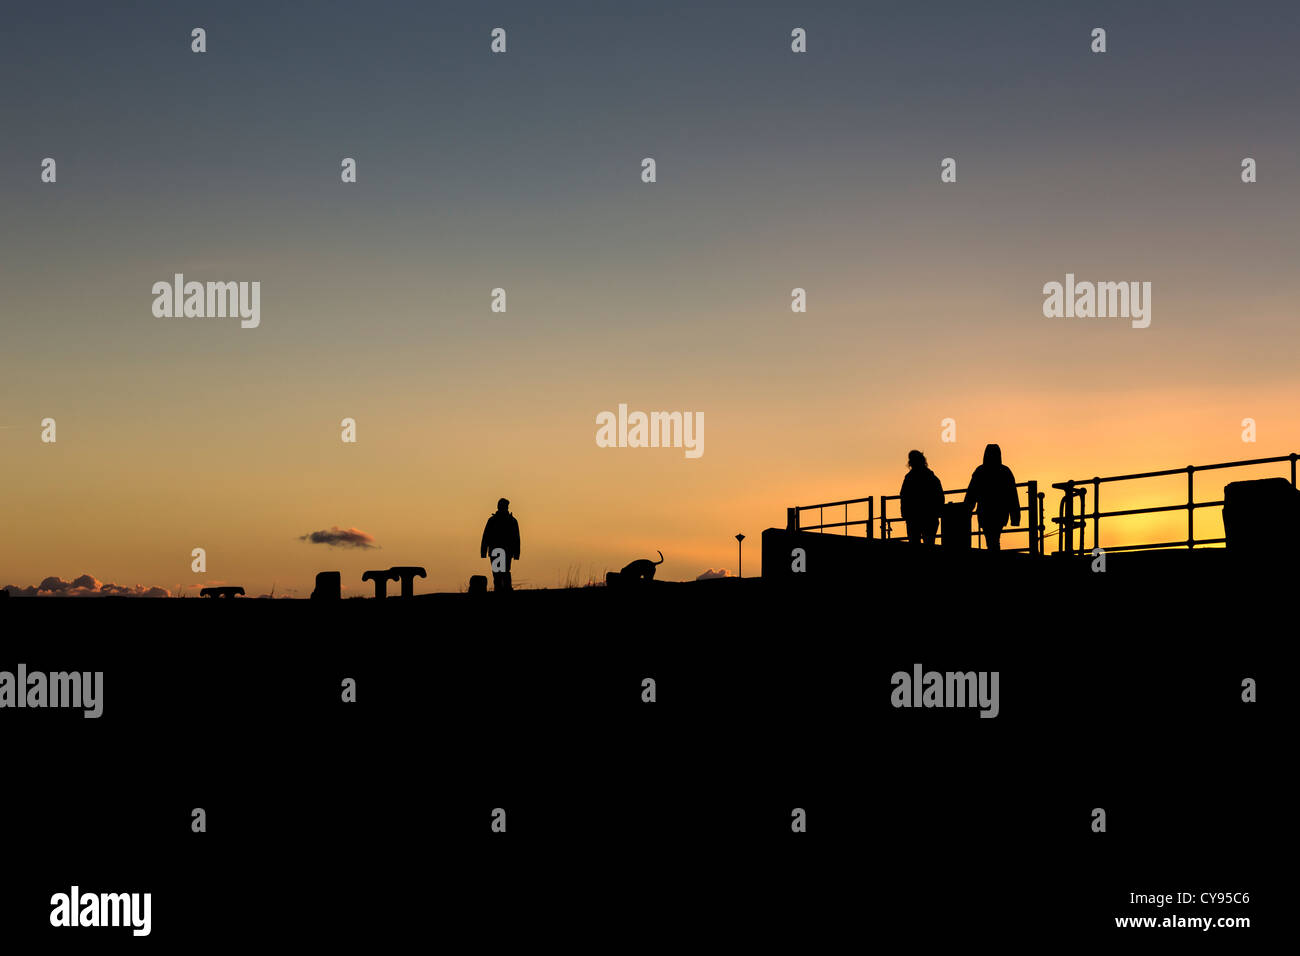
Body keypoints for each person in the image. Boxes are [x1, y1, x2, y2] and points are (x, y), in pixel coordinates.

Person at [963, 444, 1021, 551]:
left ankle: (993, 553)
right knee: (994, 537)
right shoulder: (1005, 471)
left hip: (985, 511)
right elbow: (1012, 495)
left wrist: (966, 510)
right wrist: (1015, 517)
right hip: (1000, 511)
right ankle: (994, 552)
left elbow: (971, 493)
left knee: (990, 538)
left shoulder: (980, 471)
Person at [900, 450, 944, 545]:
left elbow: (904, 497)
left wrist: (905, 512)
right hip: (929, 516)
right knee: (929, 542)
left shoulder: (909, 479)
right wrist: (938, 511)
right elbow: (940, 496)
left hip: (913, 516)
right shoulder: (932, 478)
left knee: (914, 542)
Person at [480, 498, 521, 591]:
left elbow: (516, 538)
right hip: (497, 550)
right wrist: (483, 552)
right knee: (497, 573)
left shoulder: (511, 521)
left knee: (504, 571)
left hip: (506, 551)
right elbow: (486, 536)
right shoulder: (493, 520)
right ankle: (500, 589)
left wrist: (516, 553)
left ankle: (505, 589)